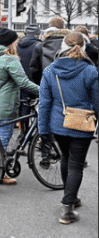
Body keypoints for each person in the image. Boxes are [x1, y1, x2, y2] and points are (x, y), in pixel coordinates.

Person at [38, 32, 98, 224]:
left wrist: (43, 130)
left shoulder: (50, 71)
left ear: (62, 46)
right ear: (84, 47)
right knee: (76, 165)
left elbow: (45, 103)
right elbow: (97, 102)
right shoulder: (90, 71)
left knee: (66, 159)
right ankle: (67, 208)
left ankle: (71, 198)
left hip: (59, 123)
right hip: (82, 123)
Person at [0, 28, 40, 185]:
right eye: (16, 41)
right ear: (11, 42)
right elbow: (23, 82)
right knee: (2, 139)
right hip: (4, 103)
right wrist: (44, 91)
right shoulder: (8, 59)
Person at [29, 16, 70, 83]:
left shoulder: (40, 46)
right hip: (68, 84)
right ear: (63, 27)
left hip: (48, 83)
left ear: (49, 27)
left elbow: (34, 69)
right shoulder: (71, 44)